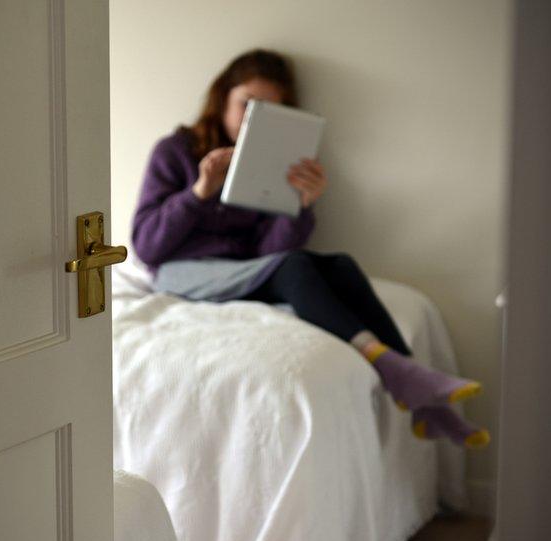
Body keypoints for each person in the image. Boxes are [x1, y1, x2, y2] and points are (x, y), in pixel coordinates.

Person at [131, 49, 489, 449]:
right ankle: (399, 374)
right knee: (294, 266)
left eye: (268, 109)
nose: (253, 118)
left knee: (338, 265)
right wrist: (199, 192)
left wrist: (299, 206)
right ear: (222, 98)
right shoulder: (176, 150)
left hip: (244, 270)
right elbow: (147, 246)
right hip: (183, 270)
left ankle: (424, 400)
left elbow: (268, 252)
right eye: (246, 104)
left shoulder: (273, 162)